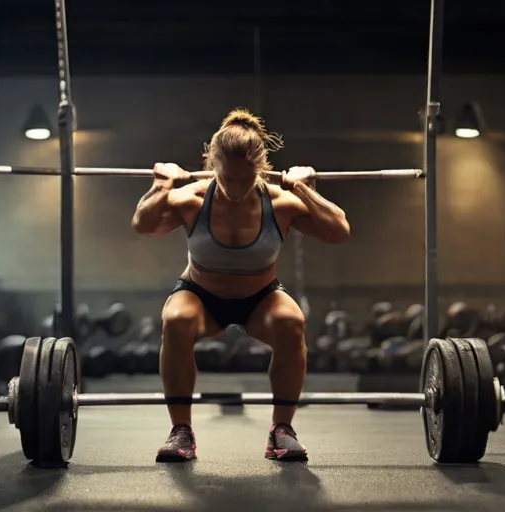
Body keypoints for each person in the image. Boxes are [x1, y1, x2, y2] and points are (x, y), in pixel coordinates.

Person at [130, 109, 351, 463]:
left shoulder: (280, 203)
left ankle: (282, 430)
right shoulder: (192, 199)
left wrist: (305, 190)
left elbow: (339, 231)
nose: (235, 188)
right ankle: (180, 432)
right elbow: (143, 224)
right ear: (212, 165)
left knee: (291, 322)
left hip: (258, 300)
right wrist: (162, 183)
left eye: (245, 179)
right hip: (200, 297)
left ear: (260, 170)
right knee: (175, 320)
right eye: (227, 178)